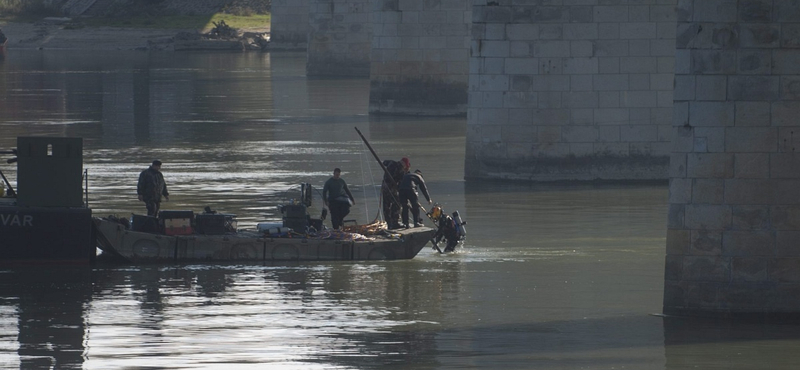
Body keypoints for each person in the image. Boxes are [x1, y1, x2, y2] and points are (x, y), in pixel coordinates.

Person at [381, 157, 409, 229]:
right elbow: (401, 183)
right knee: (397, 203)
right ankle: (394, 222)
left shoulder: (391, 162)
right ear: (405, 165)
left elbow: (384, 162)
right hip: (391, 188)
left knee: (386, 205)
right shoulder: (401, 170)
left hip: (384, 187)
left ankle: (388, 222)